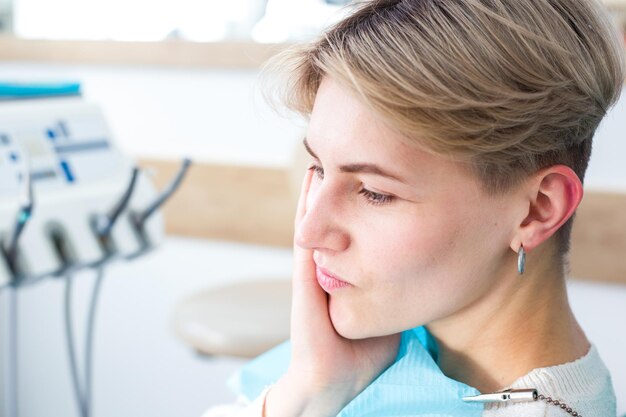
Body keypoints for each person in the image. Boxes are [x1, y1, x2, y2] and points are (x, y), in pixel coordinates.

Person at [203, 0, 626, 415]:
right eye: (318, 168)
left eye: (374, 192)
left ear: (537, 209)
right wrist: (313, 388)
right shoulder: (397, 330)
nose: (308, 233)